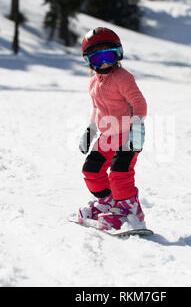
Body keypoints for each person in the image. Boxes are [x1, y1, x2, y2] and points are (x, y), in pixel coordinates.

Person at [77, 27, 148, 231]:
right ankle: (109, 202)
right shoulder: (93, 83)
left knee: (119, 172)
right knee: (91, 170)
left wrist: (137, 128)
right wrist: (90, 131)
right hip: (106, 135)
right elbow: (96, 109)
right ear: (90, 62)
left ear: (118, 54)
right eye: (98, 59)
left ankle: (129, 210)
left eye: (109, 56)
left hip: (128, 135)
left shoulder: (123, 78)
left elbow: (139, 103)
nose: (105, 63)